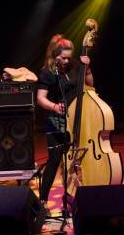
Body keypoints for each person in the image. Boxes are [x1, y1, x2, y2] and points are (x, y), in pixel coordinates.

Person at [36, 34, 93, 211]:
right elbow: (40, 98)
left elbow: (90, 85)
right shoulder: (47, 72)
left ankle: (78, 196)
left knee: (79, 157)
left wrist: (88, 69)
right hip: (56, 119)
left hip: (77, 118)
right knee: (54, 160)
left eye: (70, 57)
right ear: (55, 55)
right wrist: (54, 106)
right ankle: (43, 200)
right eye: (63, 58)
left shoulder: (76, 65)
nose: (68, 61)